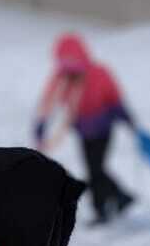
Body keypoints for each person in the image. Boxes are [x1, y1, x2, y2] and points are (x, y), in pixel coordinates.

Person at [34, 32, 135, 224]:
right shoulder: (63, 79)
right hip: (83, 131)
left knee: (95, 170)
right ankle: (121, 197)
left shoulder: (98, 73)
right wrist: (42, 124)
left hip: (103, 130)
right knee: (95, 169)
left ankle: (102, 209)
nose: (71, 71)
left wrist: (125, 117)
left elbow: (114, 97)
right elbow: (50, 102)